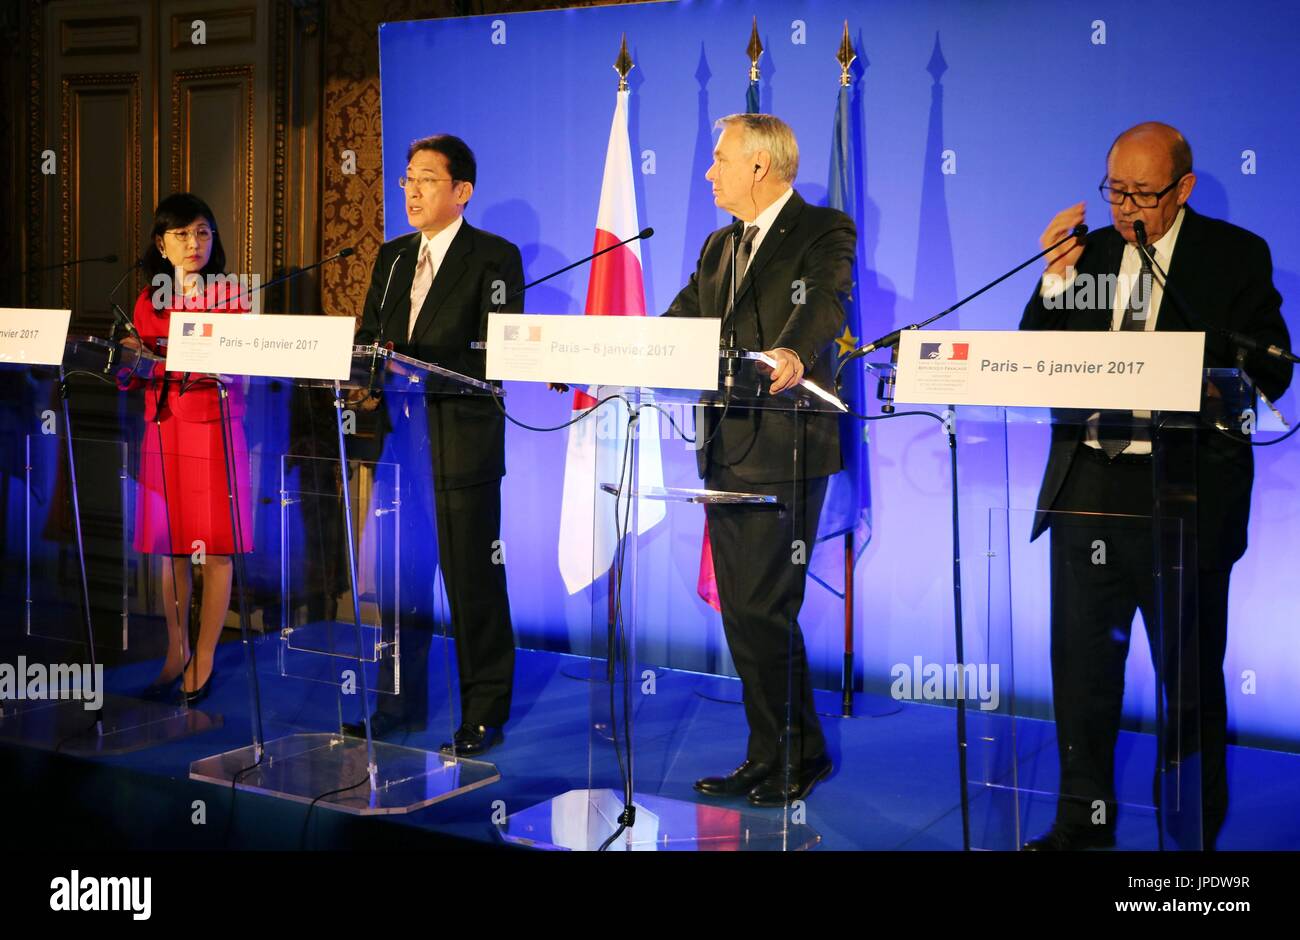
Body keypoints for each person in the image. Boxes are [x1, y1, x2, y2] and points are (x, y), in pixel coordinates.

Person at [1020, 122, 1293, 850]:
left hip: (1184, 499)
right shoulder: (1091, 255)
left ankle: (1189, 835)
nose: (1126, 208)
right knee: (1082, 678)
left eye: (1143, 193)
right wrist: (1053, 281)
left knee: (1189, 684)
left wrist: (1201, 379)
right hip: (1089, 492)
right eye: (1115, 190)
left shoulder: (1234, 256)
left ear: (1183, 188)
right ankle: (1083, 824)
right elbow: (1035, 357)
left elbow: (1271, 367)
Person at [662, 113, 856, 806]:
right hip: (723, 446)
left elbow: (827, 303)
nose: (709, 171)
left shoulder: (823, 230)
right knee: (743, 611)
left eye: (719, 159)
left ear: (759, 167)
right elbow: (680, 321)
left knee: (767, 606)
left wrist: (795, 353)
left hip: (785, 446)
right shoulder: (720, 245)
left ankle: (796, 757)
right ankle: (769, 750)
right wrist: (610, 354)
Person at [345, 134, 523, 756]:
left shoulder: (495, 258)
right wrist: (363, 378)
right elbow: (371, 337)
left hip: (461, 446)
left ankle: (484, 713)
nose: (412, 191)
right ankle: (397, 706)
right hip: (400, 442)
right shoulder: (393, 258)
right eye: (407, 180)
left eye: (425, 179)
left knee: (473, 584)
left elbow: (490, 351)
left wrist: (407, 361)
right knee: (402, 583)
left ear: (461, 191)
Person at [125, 192, 254, 706]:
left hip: (212, 428)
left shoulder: (230, 295)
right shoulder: (145, 299)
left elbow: (237, 363)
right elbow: (131, 366)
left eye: (203, 232)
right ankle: (176, 650)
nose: (195, 243)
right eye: (182, 234)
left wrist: (163, 359)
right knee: (171, 546)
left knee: (215, 549)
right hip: (164, 426)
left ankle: (204, 656)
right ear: (161, 243)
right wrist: (134, 360)